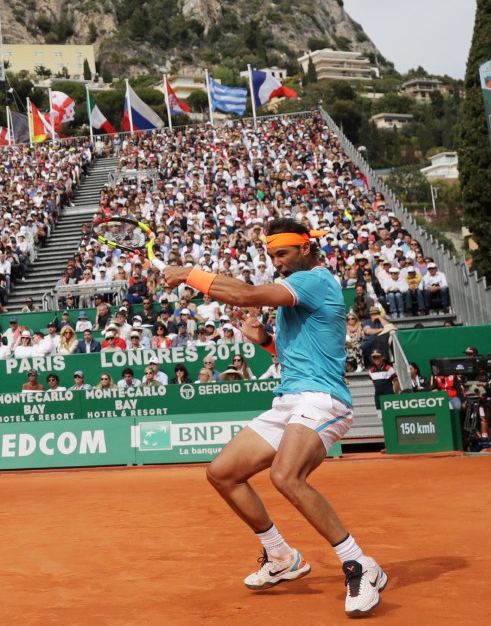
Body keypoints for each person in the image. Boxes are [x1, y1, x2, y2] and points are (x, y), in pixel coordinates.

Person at [163, 218, 386, 617]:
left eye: (282, 253)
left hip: (323, 401)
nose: (277, 263)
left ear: (306, 248)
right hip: (290, 398)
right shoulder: (296, 295)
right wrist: (266, 341)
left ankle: (359, 565)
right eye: (271, 255)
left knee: (286, 476)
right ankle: (281, 556)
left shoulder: (315, 281)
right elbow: (294, 358)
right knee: (222, 473)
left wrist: (188, 275)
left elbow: (246, 294)